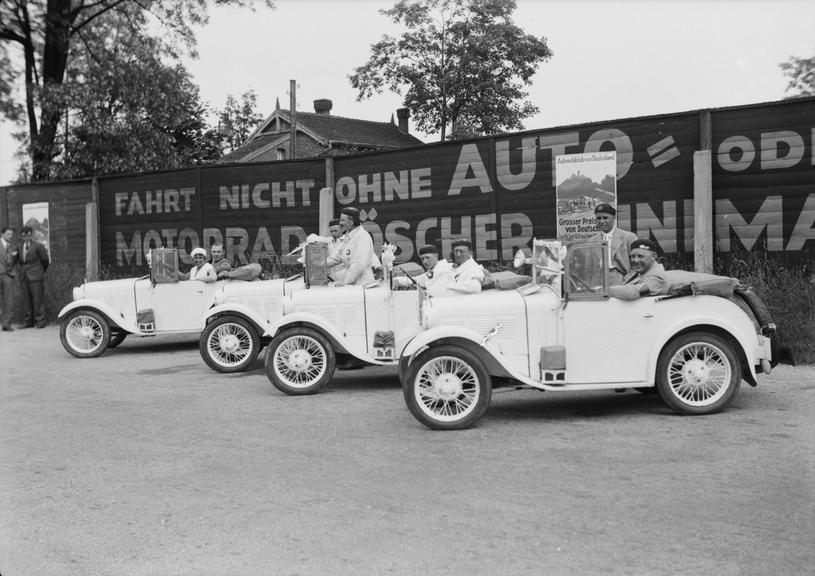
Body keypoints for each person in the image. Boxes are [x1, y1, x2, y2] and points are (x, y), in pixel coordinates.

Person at [589, 203, 637, 286]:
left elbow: (636, 264)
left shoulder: (629, 237)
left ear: (614, 218)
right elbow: (588, 268)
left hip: (621, 277)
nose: (602, 221)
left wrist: (628, 281)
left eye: (605, 218)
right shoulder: (591, 241)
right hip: (598, 279)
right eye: (598, 218)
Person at [326, 207, 377, 286]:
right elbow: (338, 256)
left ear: (352, 221)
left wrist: (343, 282)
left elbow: (358, 265)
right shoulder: (349, 236)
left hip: (362, 285)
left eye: (343, 220)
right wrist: (318, 263)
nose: (340, 223)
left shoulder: (362, 236)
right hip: (352, 284)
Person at [17, 226, 50, 328]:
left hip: (36, 276)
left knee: (38, 299)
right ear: (21, 236)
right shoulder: (19, 246)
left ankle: (40, 321)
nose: (26, 237)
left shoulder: (38, 246)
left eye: (28, 235)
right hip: (24, 277)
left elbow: (45, 261)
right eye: (24, 235)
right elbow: (20, 261)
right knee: (26, 300)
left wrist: (40, 271)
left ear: (32, 235)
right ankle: (29, 322)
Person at [0, 226, 18, 331]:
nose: (10, 236)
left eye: (11, 234)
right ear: (2, 234)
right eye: (8, 234)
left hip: (8, 275)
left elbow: (14, 261)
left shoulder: (13, 247)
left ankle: (6, 324)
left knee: (8, 301)